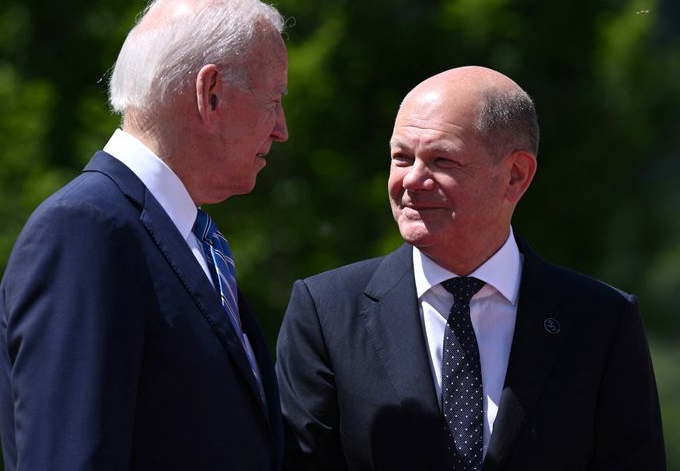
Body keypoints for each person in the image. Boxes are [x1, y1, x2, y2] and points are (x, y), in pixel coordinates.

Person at [276, 66, 665, 470]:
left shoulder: (601, 321)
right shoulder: (326, 311)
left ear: (516, 175)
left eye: (442, 160)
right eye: (401, 157)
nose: (411, 180)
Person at [0, 0, 289, 470]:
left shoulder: (179, 235)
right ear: (210, 94)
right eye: (274, 99)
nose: (282, 128)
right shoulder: (86, 231)